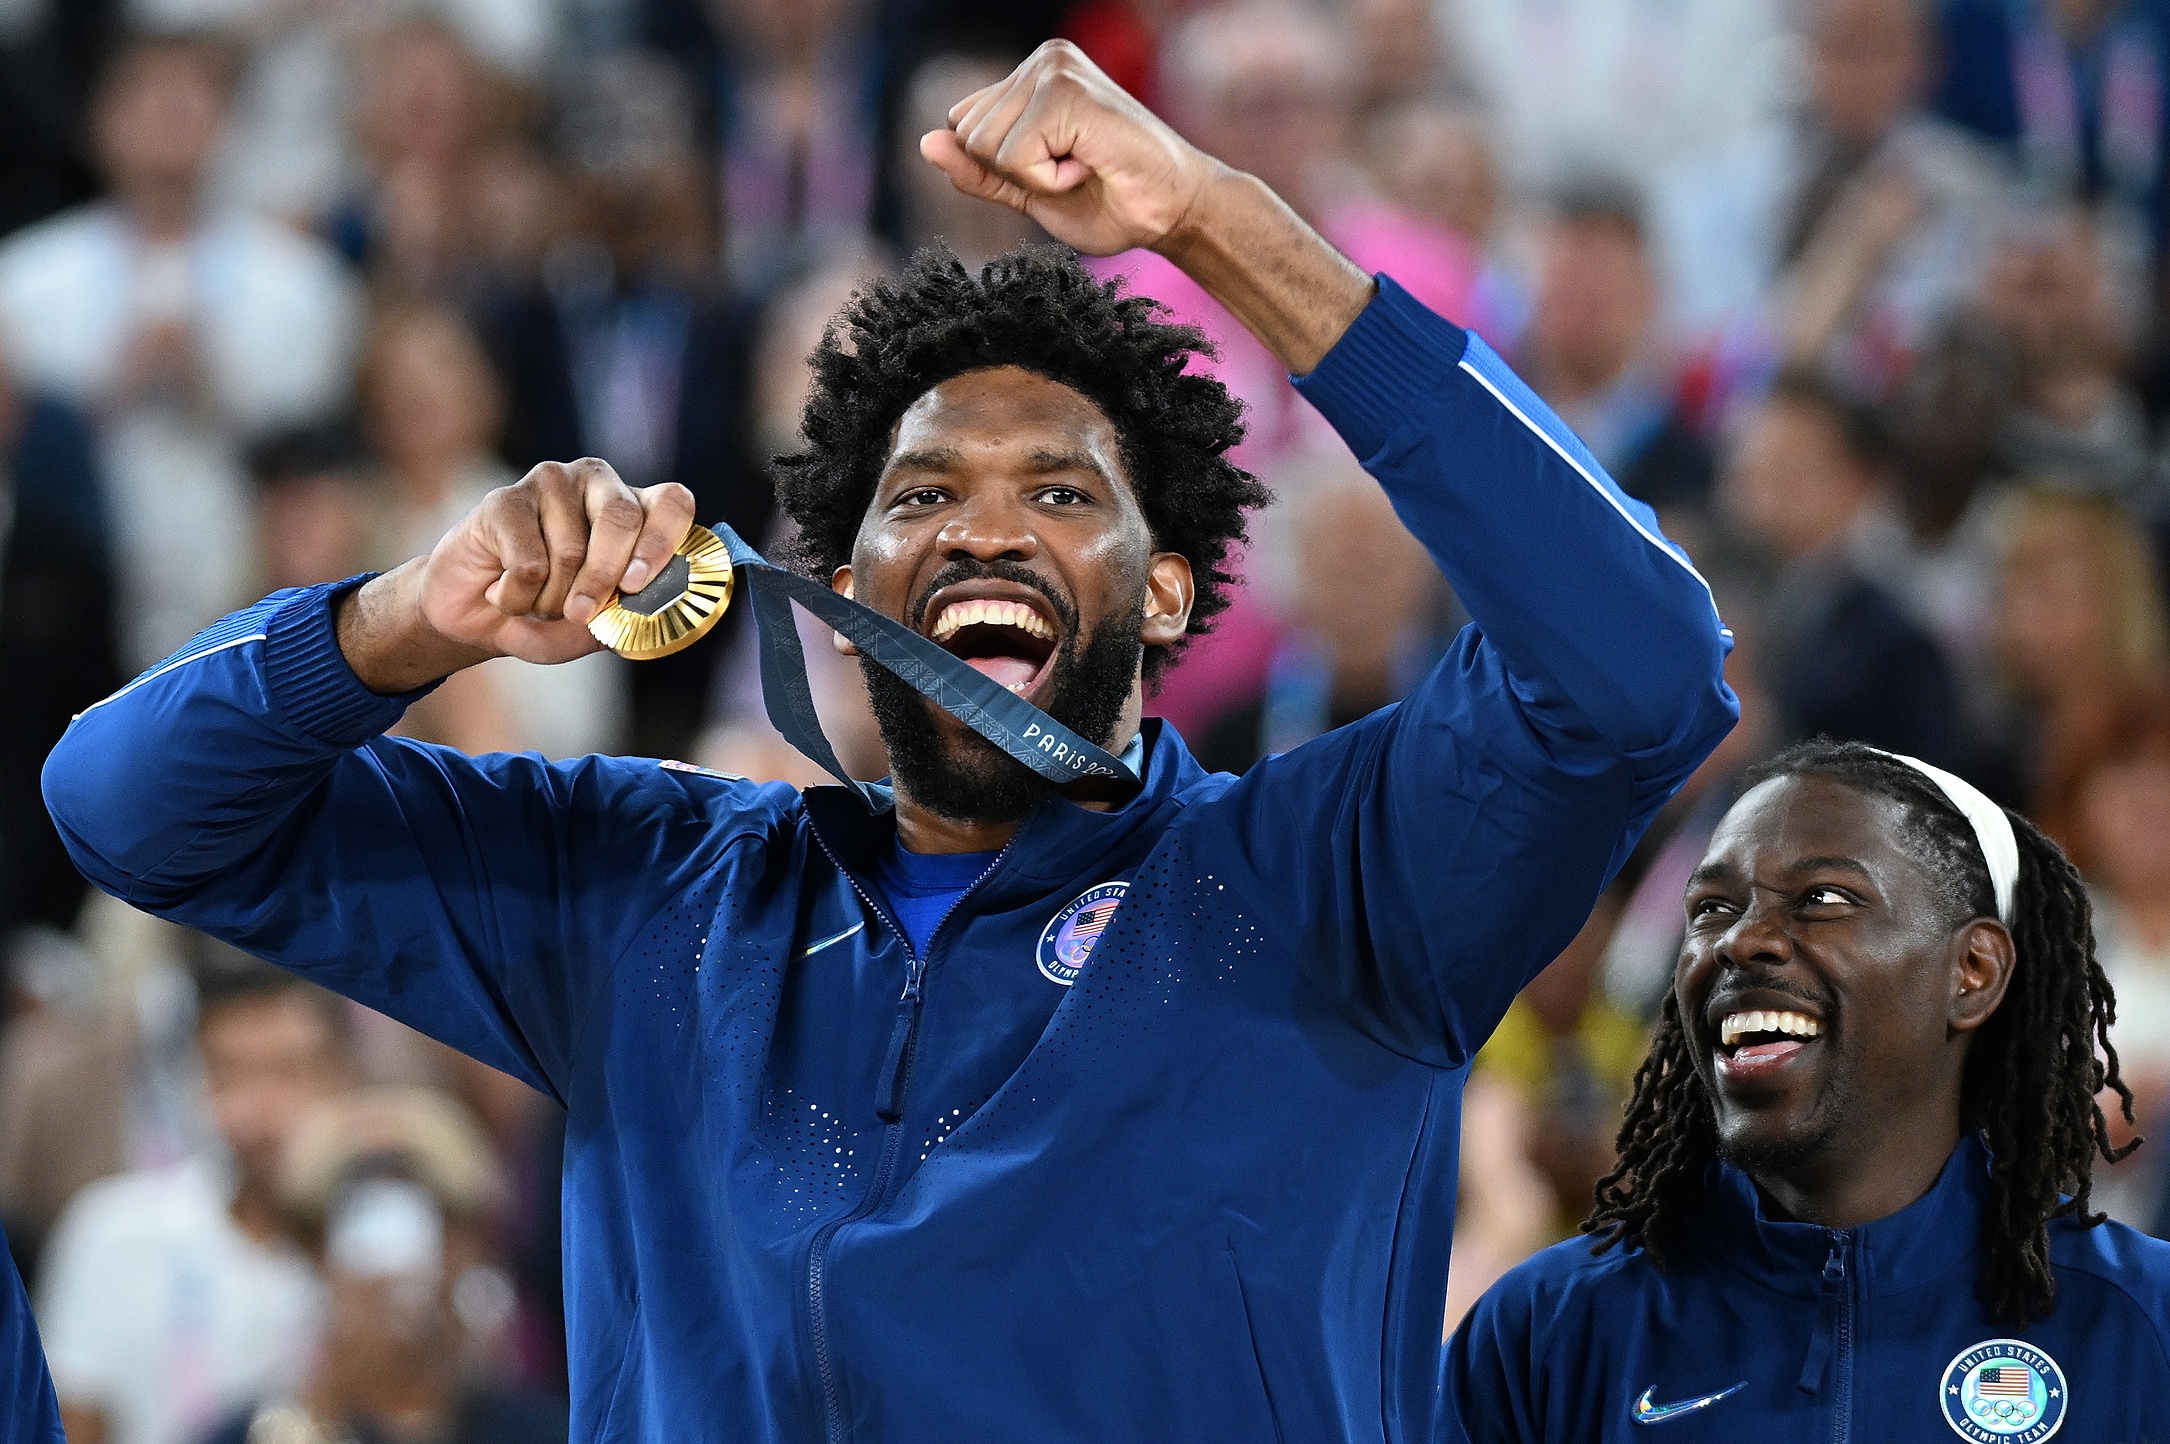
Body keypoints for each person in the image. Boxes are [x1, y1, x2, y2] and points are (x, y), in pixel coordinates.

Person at [43, 41, 1735, 1442]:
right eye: (922, 496)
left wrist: (1219, 223)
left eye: (1061, 495)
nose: (985, 531)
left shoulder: (1336, 880)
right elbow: (129, 806)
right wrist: (410, 614)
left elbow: (1645, 664)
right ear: (843, 589)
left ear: (1163, 589)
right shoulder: (654, 891)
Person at [1443, 737, 2170, 1438]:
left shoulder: (2143, 1324)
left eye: (1823, 897)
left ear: (1972, 971)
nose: (1739, 940)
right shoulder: (1547, 1332)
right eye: (1712, 908)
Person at [0, 30, 361, 671]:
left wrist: (215, 388)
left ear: (228, 123)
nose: (171, 117)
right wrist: (107, 391)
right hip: (65, 604)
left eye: (193, 98)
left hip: (248, 585)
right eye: (146, 98)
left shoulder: (302, 282)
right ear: (100, 124)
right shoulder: (23, 279)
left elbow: (320, 452)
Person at [37, 958, 352, 1444]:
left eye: (291, 1071)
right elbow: (72, 1428)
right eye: (229, 1074)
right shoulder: (115, 1232)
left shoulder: (392, 1242)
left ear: (344, 1076)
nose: (259, 1109)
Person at [206, 1086, 565, 1444]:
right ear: (316, 1254)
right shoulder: (253, 1434)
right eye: (360, 1227)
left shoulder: (549, 1431)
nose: (389, 1268)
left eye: (413, 1223)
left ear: (465, 1246)